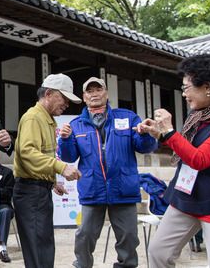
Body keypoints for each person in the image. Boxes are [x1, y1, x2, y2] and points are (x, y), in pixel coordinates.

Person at [139, 54, 210, 268]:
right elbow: (189, 148)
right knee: (158, 252)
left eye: (186, 87)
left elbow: (200, 158)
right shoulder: (201, 115)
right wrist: (160, 134)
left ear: (208, 87)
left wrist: (170, 131)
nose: (184, 94)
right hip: (187, 196)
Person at [58, 76, 158, 268]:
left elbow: (144, 147)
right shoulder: (76, 124)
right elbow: (69, 157)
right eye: (89, 91)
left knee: (128, 236)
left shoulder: (127, 117)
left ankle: (126, 265)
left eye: (98, 89)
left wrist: (145, 134)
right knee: (85, 235)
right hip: (92, 189)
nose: (94, 94)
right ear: (84, 97)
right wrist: (65, 140)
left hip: (123, 188)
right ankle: (82, 265)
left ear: (106, 93)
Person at [13, 73, 83, 268]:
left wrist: (52, 181)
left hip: (39, 190)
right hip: (31, 192)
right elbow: (27, 153)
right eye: (64, 98)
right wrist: (60, 167)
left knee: (43, 246)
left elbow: (39, 155)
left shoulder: (46, 119)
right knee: (38, 249)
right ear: (49, 93)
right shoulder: (33, 118)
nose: (67, 104)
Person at [0, 149, 15, 263]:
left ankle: (3, 248)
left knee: (5, 211)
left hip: (2, 204)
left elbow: (9, 193)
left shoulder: (7, 172)